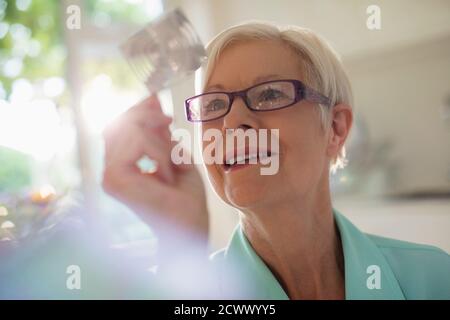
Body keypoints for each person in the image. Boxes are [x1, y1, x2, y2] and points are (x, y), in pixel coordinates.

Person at [102, 21, 450, 299]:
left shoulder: (433, 278)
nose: (232, 122)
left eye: (270, 94)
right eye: (213, 104)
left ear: (335, 127)